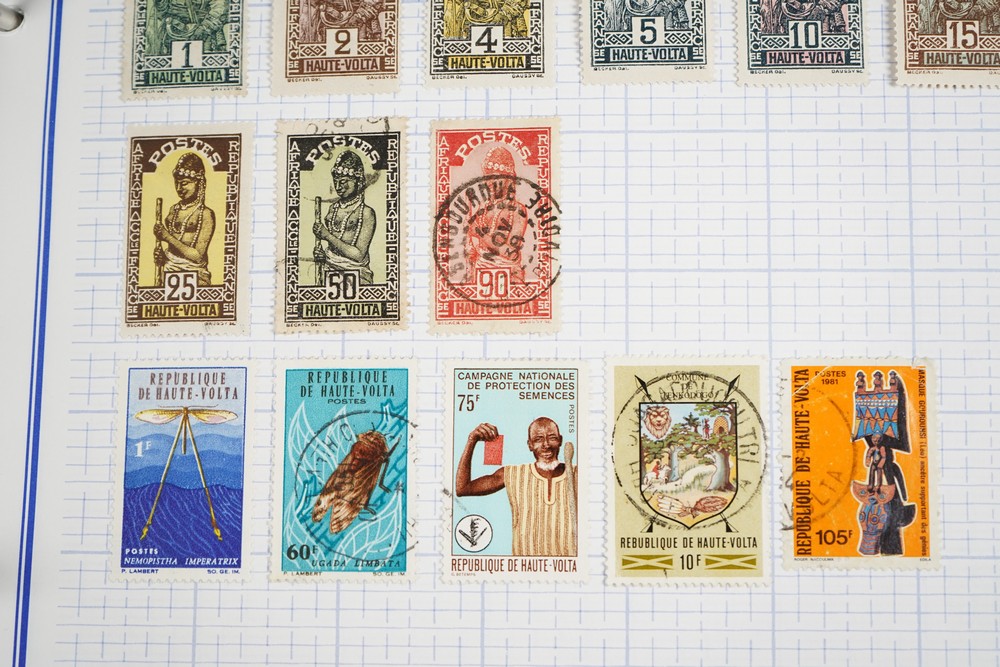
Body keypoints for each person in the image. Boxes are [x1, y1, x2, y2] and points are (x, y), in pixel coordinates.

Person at [455, 418, 577, 557]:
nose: (546, 445)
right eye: (538, 439)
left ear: (560, 441)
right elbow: (463, 488)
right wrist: (472, 440)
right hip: (524, 567)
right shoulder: (513, 473)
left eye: (552, 438)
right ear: (530, 445)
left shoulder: (578, 474)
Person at [462, 146, 529, 284]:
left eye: (496, 178)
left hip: (510, 277)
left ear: (508, 179)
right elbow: (473, 248)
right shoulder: (483, 208)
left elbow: (510, 252)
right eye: (488, 177)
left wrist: (478, 233)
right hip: (481, 275)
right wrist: (470, 242)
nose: (490, 183)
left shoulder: (518, 210)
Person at [313, 150, 377, 285]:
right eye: (335, 181)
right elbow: (333, 250)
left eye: (343, 182)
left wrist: (327, 235)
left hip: (357, 277)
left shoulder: (366, 213)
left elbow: (359, 256)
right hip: (329, 273)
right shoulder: (332, 209)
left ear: (357, 181)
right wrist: (323, 256)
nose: (338, 187)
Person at [153, 152, 216, 287]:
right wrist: (162, 257)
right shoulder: (173, 211)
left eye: (184, 183)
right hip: (169, 274)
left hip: (195, 277)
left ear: (198, 182)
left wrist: (166, 237)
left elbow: (197, 255)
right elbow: (173, 251)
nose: (179, 188)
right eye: (176, 183)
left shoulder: (206, 214)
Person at [147, 0, 229, 56]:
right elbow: (160, 12)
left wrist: (204, 27)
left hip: (204, 33)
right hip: (172, 32)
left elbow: (221, 7)